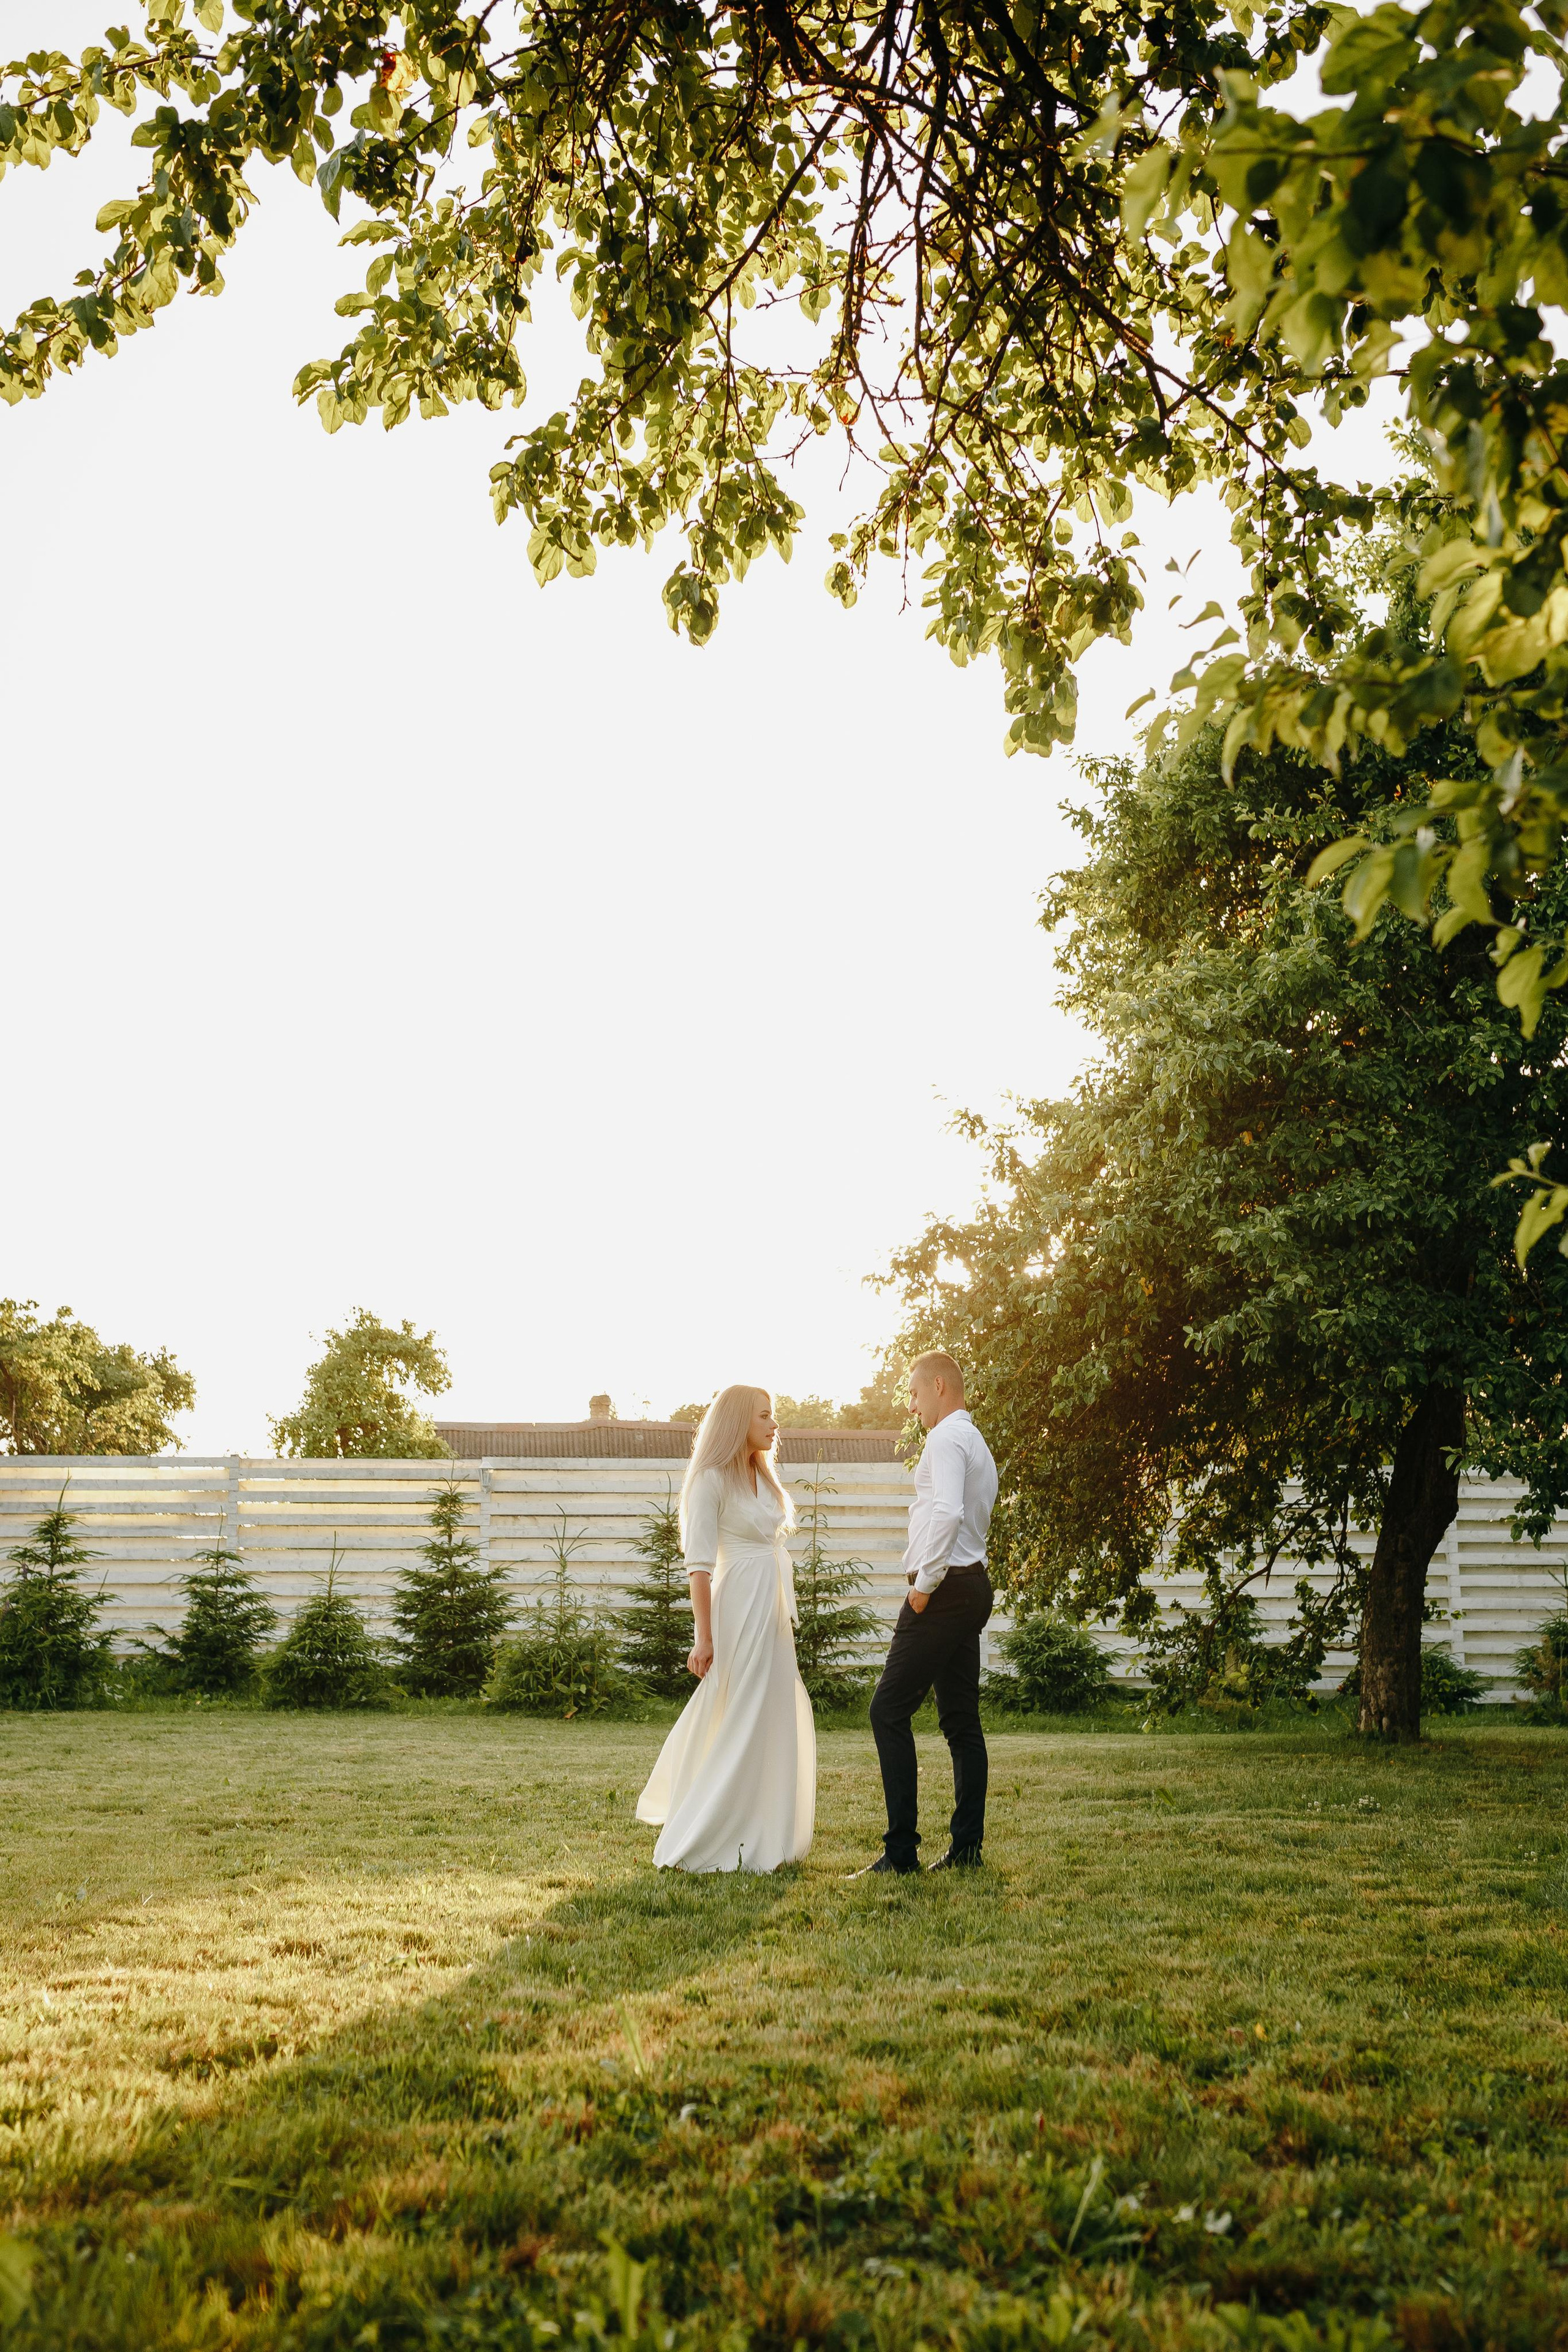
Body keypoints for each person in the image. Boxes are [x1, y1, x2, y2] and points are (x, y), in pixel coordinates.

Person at [636, 1386, 815, 1872]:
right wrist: (704, 1636)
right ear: (738, 1421)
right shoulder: (709, 1480)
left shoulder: (762, 1474)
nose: (775, 1425)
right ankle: (709, 1829)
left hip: (773, 1611)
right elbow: (699, 1567)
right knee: (740, 1709)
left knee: (773, 1711)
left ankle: (767, 1833)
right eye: (765, 1416)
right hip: (738, 1606)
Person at [852, 1351, 998, 1875]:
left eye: (914, 1393)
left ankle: (900, 1853)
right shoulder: (974, 1439)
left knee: (886, 1711)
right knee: (961, 1722)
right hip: (971, 1586)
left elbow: (949, 1512)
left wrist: (925, 1585)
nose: (911, 1405)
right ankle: (965, 1851)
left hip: (943, 1592)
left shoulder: (944, 1439)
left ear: (939, 1386)